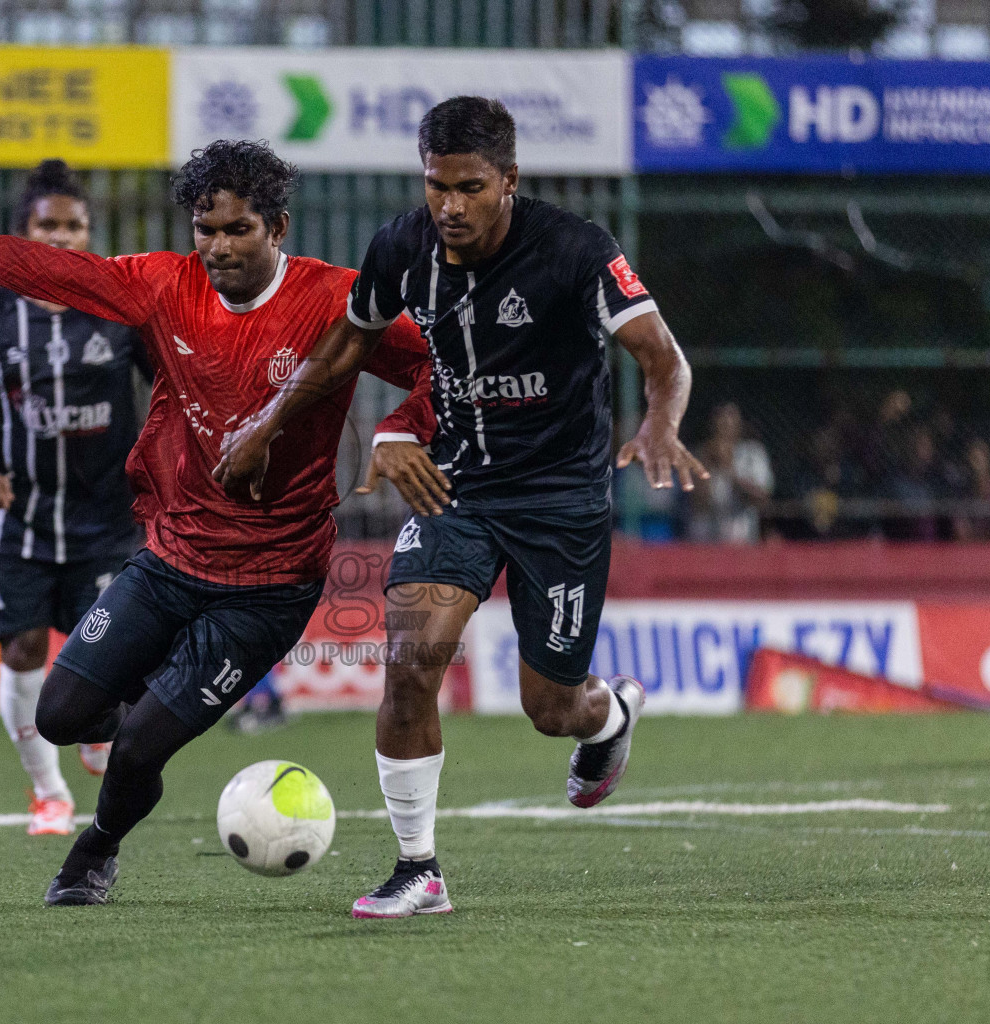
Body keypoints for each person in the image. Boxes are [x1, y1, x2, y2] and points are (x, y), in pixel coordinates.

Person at [0, 139, 434, 906]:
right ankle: (152, 696)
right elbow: (29, 267)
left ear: (277, 228)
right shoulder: (158, 286)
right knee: (60, 717)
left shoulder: (335, 301)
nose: (217, 247)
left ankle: (94, 850)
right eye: (205, 230)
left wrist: (401, 430)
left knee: (139, 744)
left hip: (270, 586)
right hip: (172, 558)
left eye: (238, 230)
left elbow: (434, 364)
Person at [215, 97, 707, 918]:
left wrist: (661, 422)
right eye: (436, 185)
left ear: (509, 180)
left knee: (551, 709)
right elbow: (348, 343)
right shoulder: (403, 246)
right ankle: (419, 870)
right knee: (408, 665)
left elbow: (663, 358)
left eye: (470, 186)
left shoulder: (577, 249)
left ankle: (608, 713)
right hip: (458, 486)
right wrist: (267, 424)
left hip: (561, 500)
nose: (449, 205)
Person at [0, 160, 151, 837]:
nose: (62, 237)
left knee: (107, 658)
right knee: (24, 648)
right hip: (21, 518)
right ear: (23, 233)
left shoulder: (120, 309)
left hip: (108, 521)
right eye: (48, 226)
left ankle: (92, 727)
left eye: (75, 225)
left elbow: (170, 389)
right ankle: (48, 794)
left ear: (90, 232)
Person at [686, 402, 772, 544]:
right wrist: (707, 464)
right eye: (720, 419)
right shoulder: (701, 454)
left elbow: (762, 498)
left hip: (742, 539)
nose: (724, 425)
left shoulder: (752, 453)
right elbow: (698, 502)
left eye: (730, 419)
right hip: (706, 540)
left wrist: (728, 469)